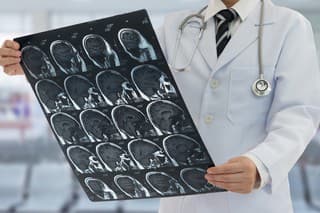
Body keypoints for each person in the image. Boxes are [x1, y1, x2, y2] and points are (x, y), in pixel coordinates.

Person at [0, 0, 319, 212]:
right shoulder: (177, 27)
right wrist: (37, 66)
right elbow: (119, 80)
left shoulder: (289, 26)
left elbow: (298, 113)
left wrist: (261, 164)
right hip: (182, 201)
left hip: (253, 200)